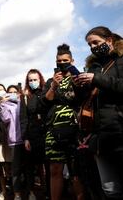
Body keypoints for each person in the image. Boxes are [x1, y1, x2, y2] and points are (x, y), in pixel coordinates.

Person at [75, 26, 123, 198]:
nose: (93, 47)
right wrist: (82, 87)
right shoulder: (94, 66)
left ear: (110, 40)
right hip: (102, 136)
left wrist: (97, 79)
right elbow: (89, 99)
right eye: (90, 45)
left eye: (96, 42)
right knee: (110, 189)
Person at [40, 44, 85, 200]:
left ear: (72, 60)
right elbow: (44, 103)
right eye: (59, 61)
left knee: (76, 170)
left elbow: (83, 97)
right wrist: (53, 86)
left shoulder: (78, 77)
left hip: (75, 130)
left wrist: (76, 80)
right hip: (54, 131)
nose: (62, 63)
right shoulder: (50, 81)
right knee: (55, 170)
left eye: (65, 60)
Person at [20, 69, 47, 200]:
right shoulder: (25, 97)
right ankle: (31, 192)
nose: (33, 82)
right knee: (30, 166)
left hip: (46, 133)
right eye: (30, 80)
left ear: (40, 80)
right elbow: (23, 119)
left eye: (35, 79)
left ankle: (48, 190)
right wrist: (25, 139)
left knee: (47, 164)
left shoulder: (46, 92)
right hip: (31, 135)